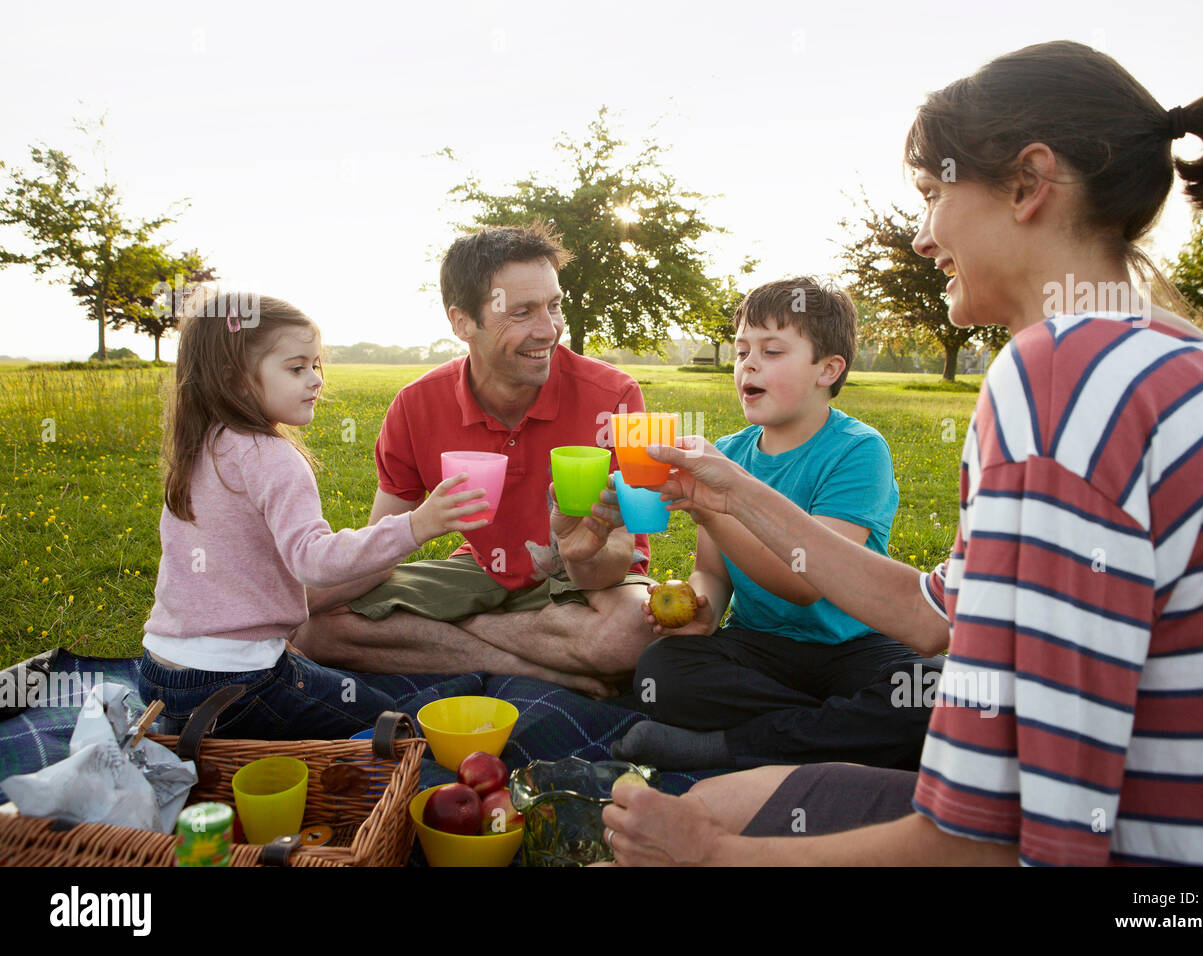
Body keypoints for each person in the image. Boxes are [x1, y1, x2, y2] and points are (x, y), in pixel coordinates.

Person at [599, 40, 1203, 866]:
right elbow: (935, 614)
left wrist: (711, 858)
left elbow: (980, 838)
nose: (925, 237)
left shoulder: (1058, 376)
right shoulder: (1173, 352)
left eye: (934, 194)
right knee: (719, 798)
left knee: (702, 827)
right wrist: (730, 493)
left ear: (1028, 183)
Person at [137, 291, 521, 739]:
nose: (316, 380)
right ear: (234, 378)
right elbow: (314, 563)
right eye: (297, 368)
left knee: (328, 691)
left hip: (161, 676)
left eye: (316, 365)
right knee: (392, 725)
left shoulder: (198, 447)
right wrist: (419, 524)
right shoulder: (273, 457)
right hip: (239, 684)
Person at [290, 224, 657, 691]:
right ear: (462, 322)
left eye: (554, 305)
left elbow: (620, 561)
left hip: (583, 582)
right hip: (481, 573)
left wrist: (582, 553)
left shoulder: (615, 396)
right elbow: (378, 550)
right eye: (522, 312)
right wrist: (299, 602)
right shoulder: (417, 405)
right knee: (314, 626)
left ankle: (457, 642)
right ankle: (533, 666)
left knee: (633, 633)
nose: (549, 330)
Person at [612, 277, 944, 771]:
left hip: (856, 644)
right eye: (742, 349)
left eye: (772, 350)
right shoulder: (726, 452)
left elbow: (805, 581)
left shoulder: (858, 450)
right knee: (662, 671)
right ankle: (834, 735)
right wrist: (704, 607)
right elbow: (714, 571)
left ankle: (730, 747)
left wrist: (713, 507)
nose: (748, 362)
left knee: (933, 695)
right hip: (761, 646)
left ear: (828, 369)